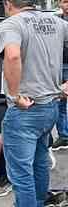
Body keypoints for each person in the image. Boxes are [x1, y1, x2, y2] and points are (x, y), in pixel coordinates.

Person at [0, 0, 68, 206]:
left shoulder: (11, 24)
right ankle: (38, 201)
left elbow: (13, 56)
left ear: (8, 3)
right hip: (50, 108)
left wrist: (14, 95)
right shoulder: (56, 22)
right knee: (39, 162)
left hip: (26, 110)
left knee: (20, 173)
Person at [52, 0, 68, 151]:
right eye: (65, 1)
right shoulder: (56, 22)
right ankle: (64, 136)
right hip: (59, 65)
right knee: (59, 103)